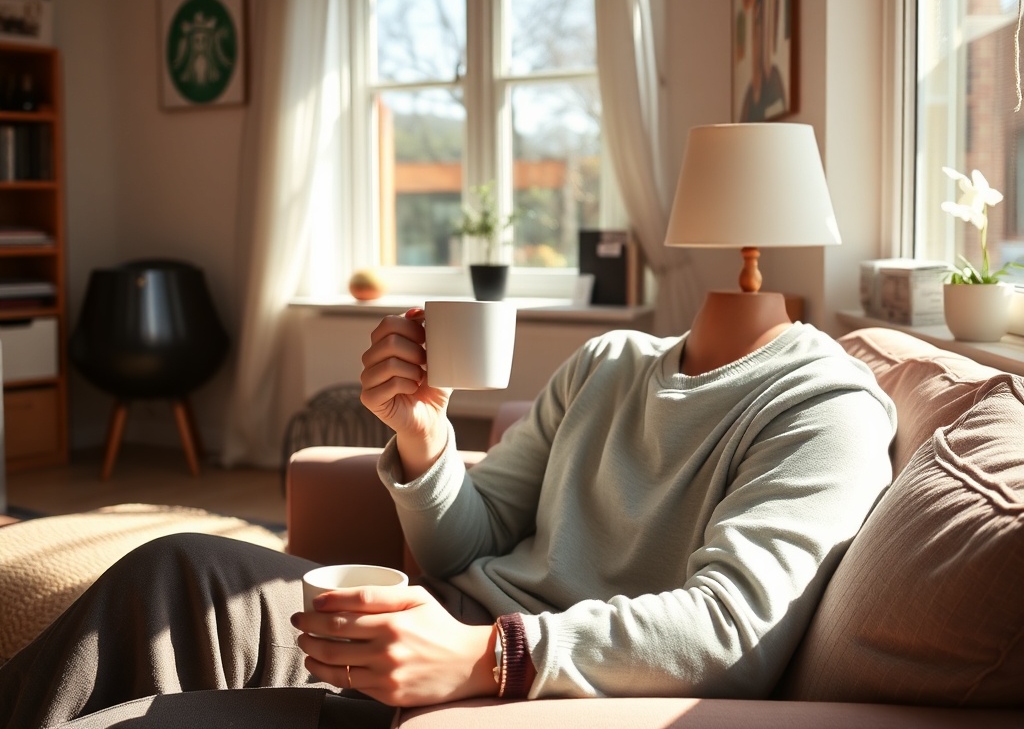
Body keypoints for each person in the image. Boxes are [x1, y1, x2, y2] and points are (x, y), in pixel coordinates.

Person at [0, 291, 896, 728]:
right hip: (451, 618)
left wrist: (485, 656)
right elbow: (472, 537)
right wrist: (422, 435)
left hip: (513, 677)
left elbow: (731, 631)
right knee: (179, 566)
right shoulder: (609, 362)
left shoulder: (824, 406)